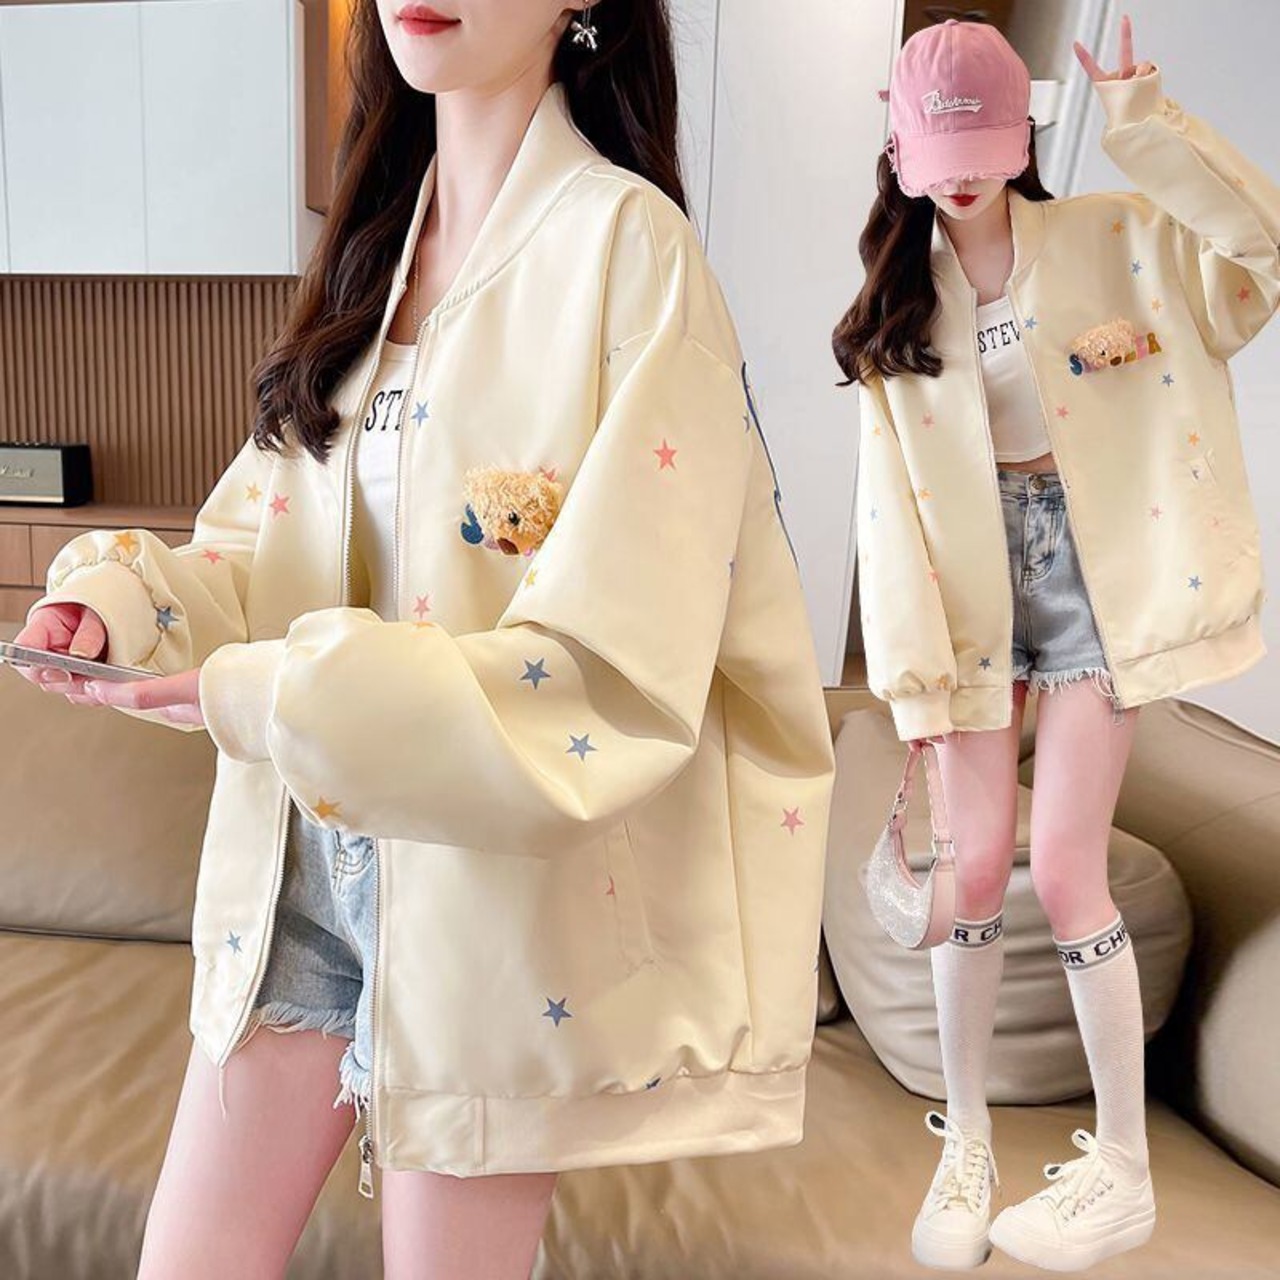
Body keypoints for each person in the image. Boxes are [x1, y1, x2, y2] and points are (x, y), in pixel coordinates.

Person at [14, 3, 835, 1275]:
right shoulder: (371, 254)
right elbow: (260, 546)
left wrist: (289, 693)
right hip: (296, 857)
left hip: (479, 887)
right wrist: (123, 599)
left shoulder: (629, 252)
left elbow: (618, 663)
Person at [832, 13, 1278, 1274]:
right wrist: (912, 681)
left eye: (981, 148)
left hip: (1097, 575)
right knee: (974, 869)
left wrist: (1145, 120)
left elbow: (1260, 252)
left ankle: (1122, 1167)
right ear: (900, 152)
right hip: (968, 590)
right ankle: (966, 1144)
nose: (961, 176)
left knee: (1069, 870)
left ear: (1022, 138)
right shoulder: (893, 304)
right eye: (939, 155)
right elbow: (888, 514)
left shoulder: (1119, 237)